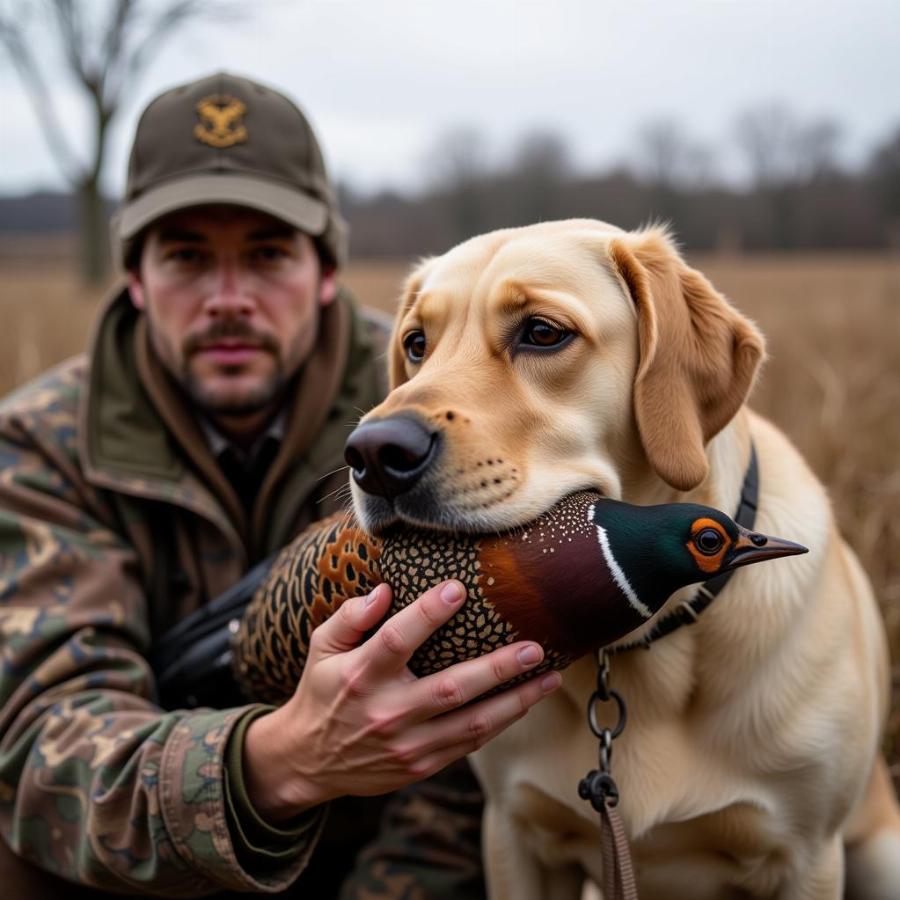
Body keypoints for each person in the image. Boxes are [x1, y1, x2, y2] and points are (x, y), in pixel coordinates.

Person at [0, 72, 561, 898]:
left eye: (267, 256)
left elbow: (472, 758)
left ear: (326, 270)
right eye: (187, 257)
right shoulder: (37, 445)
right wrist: (279, 762)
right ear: (135, 278)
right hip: (141, 875)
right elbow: (46, 744)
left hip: (370, 860)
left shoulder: (431, 418)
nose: (229, 300)